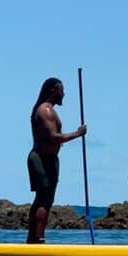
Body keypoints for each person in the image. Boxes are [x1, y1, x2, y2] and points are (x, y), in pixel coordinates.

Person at [27, 77, 86, 243]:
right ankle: (37, 239)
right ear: (54, 91)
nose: (64, 94)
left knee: (46, 199)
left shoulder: (49, 110)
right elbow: (53, 137)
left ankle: (34, 238)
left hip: (50, 159)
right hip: (41, 159)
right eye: (62, 90)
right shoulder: (45, 110)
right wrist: (77, 133)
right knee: (44, 199)